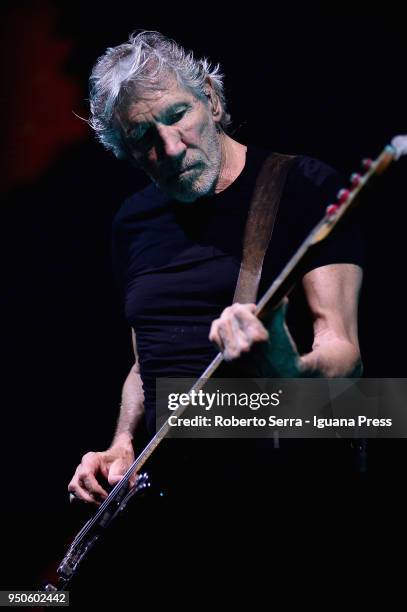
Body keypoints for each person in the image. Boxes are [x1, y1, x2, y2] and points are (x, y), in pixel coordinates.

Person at [68, 30, 364, 508]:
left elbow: (345, 353)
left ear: (210, 98)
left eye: (178, 115)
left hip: (286, 489)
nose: (170, 148)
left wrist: (291, 373)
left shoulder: (303, 186)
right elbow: (145, 363)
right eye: (143, 137)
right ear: (122, 149)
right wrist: (121, 444)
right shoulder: (132, 222)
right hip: (173, 502)